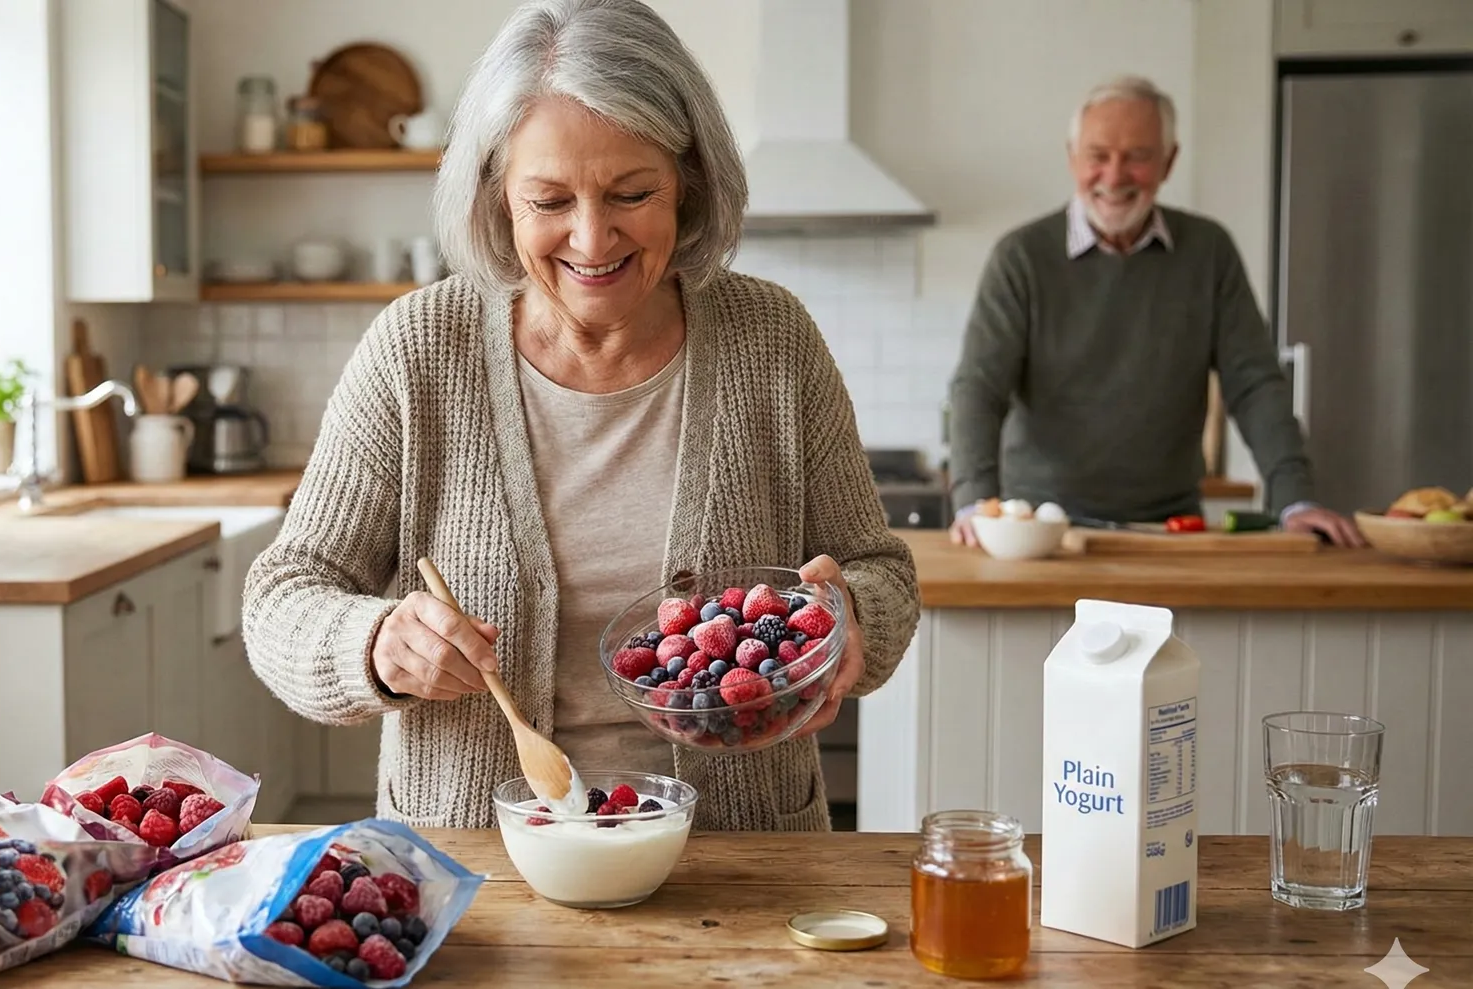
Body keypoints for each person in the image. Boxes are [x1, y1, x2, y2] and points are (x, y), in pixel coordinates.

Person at [241, 0, 920, 832]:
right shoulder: (419, 350)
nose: (593, 239)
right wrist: (378, 642)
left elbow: (881, 570)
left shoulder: (771, 341)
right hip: (479, 868)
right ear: (498, 199)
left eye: (631, 192)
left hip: (745, 862)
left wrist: (851, 622)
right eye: (550, 200)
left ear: (690, 183)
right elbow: (283, 595)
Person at [946, 75, 1365, 548]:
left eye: (1138, 156)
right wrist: (976, 503)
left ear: (1168, 162)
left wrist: (1296, 499)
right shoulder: (1021, 257)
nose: (1115, 175)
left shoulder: (1209, 251)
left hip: (1169, 529)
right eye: (1098, 156)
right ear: (1072, 159)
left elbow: (1255, 385)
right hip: (1043, 531)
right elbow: (979, 387)